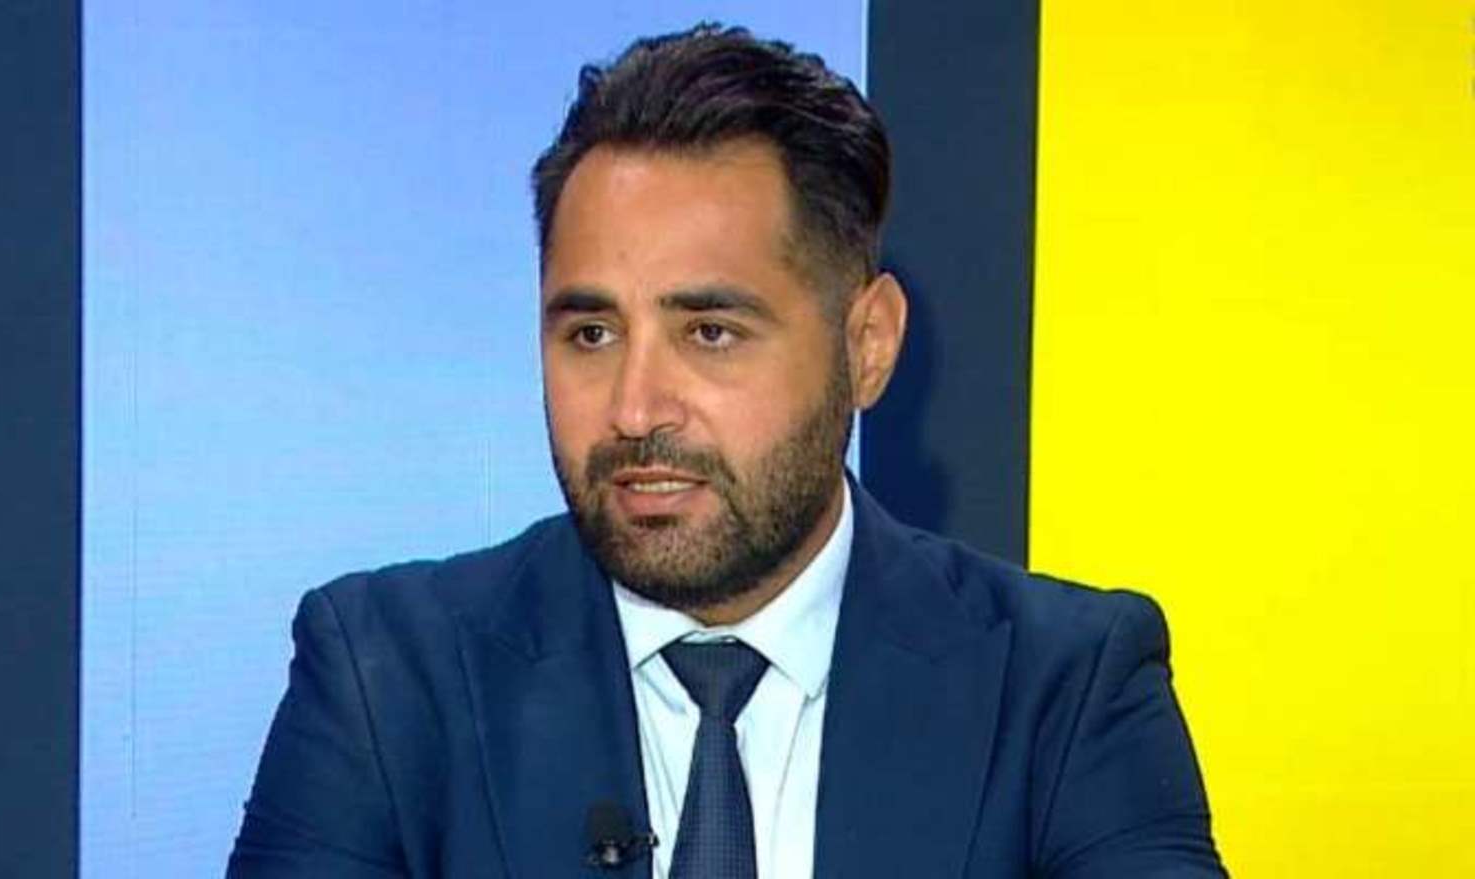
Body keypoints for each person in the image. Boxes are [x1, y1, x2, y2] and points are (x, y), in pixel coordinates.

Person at [228, 23, 1225, 879]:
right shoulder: (384, 679)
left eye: (709, 332)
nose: (634, 409)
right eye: (590, 333)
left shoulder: (1061, 688)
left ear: (867, 345)